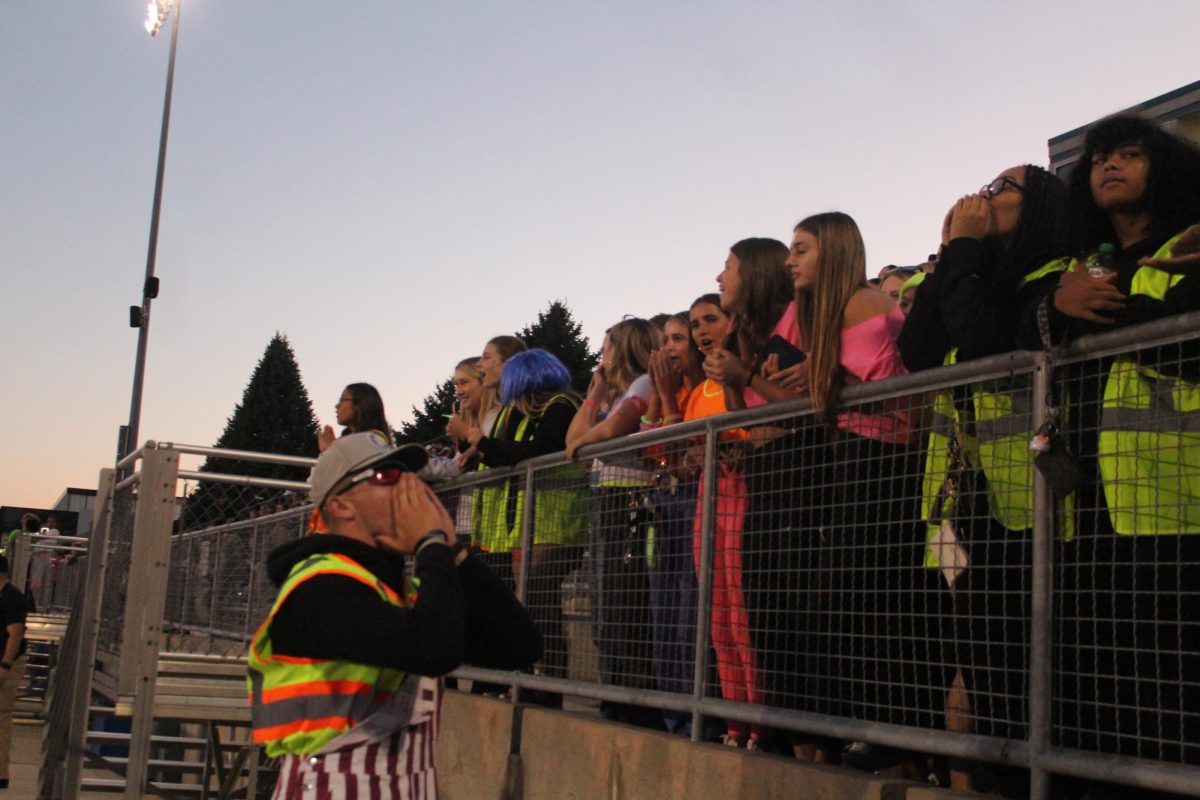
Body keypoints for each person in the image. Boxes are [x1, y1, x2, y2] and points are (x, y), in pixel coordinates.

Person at [1016, 115, 1200, 772]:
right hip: (1085, 505)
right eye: (1098, 158)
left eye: (1129, 154)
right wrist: (1052, 307)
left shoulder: (1187, 242)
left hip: (1174, 506)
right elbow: (1017, 338)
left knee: (1172, 688)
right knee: (1097, 681)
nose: (1109, 166)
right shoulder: (1083, 262)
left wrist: (1086, 309)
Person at [248, 431, 541, 798]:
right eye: (385, 476)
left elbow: (519, 645)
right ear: (340, 505)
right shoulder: (317, 585)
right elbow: (432, 649)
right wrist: (431, 544)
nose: (407, 485)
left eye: (408, 474)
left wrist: (453, 550)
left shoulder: (392, 592)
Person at [898, 163, 1069, 791]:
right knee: (983, 661)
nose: (985, 195)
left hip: (1039, 504)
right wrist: (952, 253)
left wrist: (965, 251)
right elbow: (917, 352)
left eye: (1004, 189)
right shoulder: (970, 274)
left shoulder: (1047, 276)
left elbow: (985, 347)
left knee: (1034, 670)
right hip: (974, 500)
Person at [700, 238, 795, 750]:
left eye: (728, 267)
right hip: (762, 477)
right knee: (750, 615)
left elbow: (791, 413)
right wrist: (733, 377)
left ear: (754, 274)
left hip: (793, 481)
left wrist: (744, 374)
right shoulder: (747, 337)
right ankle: (760, 725)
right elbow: (744, 419)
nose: (719, 277)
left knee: (772, 614)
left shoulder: (791, 325)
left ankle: (782, 732)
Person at [465, 349, 584, 706]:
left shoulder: (560, 406)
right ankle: (535, 680)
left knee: (539, 601)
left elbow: (533, 451)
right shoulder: (536, 410)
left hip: (560, 522)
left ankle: (547, 689)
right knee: (532, 603)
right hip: (537, 524)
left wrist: (481, 443)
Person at [565, 317, 663, 729]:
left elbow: (612, 430)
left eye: (607, 345)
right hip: (604, 495)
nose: (601, 353)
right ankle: (613, 692)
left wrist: (586, 440)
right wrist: (594, 395)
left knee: (624, 600)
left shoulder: (643, 383)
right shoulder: (611, 391)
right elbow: (575, 436)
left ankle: (635, 699)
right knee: (605, 602)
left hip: (629, 496)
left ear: (623, 347)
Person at [0, 555, 27, 790]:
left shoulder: (11, 597)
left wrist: (5, 666)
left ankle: (0, 772)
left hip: (6, 664)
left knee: (1, 718)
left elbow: (15, 633)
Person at [319, 383, 392, 453]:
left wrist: (330, 451)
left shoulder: (374, 440)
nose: (337, 406)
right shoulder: (348, 442)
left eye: (342, 400)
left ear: (359, 405)